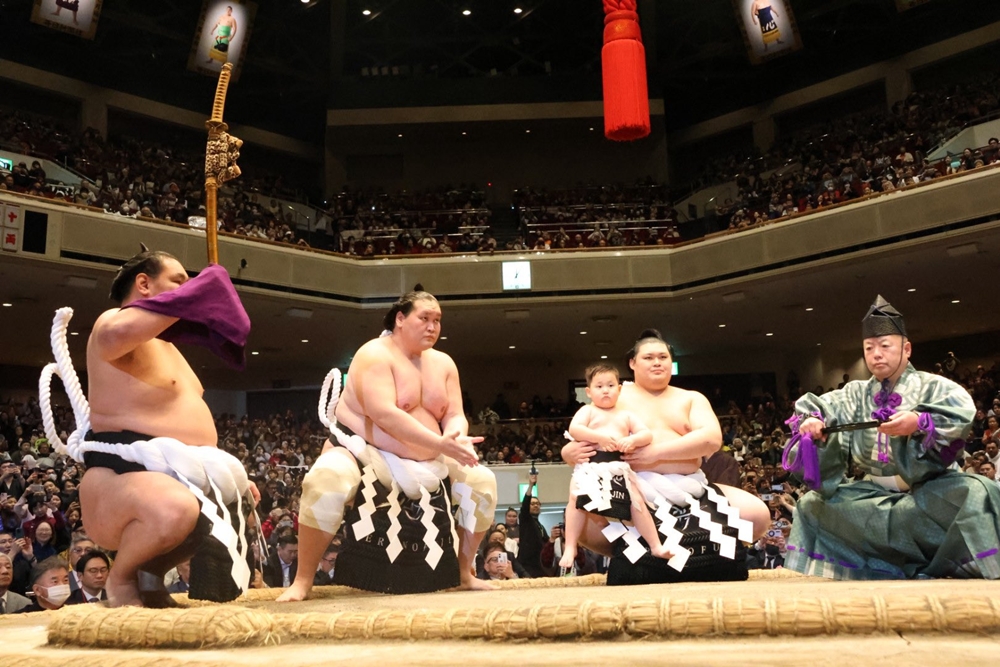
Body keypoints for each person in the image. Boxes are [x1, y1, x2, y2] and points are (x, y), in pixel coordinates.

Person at [277, 287, 496, 601]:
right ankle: (302, 581)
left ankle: (464, 572)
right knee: (325, 481)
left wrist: (455, 436)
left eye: (437, 320)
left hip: (431, 456)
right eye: (424, 318)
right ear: (400, 319)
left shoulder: (444, 363)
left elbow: (456, 414)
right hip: (365, 450)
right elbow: (385, 415)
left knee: (482, 483)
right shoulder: (373, 354)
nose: (433, 326)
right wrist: (441, 442)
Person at [76, 247, 255, 606]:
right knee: (177, 508)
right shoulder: (112, 322)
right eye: (178, 282)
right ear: (143, 283)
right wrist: (204, 289)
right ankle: (121, 578)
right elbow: (123, 330)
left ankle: (150, 576)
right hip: (120, 474)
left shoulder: (168, 346)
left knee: (224, 504)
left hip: (178, 468)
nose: (189, 290)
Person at [784, 296, 1000, 579]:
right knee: (811, 505)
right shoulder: (855, 393)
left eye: (885, 346)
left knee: (977, 492)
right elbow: (821, 407)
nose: (876, 354)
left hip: (932, 491)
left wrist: (921, 422)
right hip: (872, 494)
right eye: (869, 348)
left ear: (906, 349)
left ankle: (965, 563)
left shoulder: (933, 386)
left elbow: (960, 411)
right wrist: (812, 421)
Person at [562, 329, 769, 584]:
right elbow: (581, 431)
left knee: (758, 515)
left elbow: (711, 439)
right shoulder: (614, 396)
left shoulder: (690, 398)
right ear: (632, 363)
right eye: (648, 357)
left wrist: (654, 455)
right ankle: (640, 554)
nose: (657, 362)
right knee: (582, 522)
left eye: (663, 357)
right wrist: (568, 452)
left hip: (691, 488)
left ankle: (687, 558)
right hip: (632, 490)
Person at [560, 363, 671, 570]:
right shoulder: (587, 410)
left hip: (618, 466)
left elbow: (646, 434)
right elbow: (575, 429)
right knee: (575, 500)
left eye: (610, 385)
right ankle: (570, 547)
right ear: (589, 391)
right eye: (599, 386)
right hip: (590, 465)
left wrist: (633, 441)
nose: (605, 390)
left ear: (619, 389)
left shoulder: (625, 414)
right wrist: (599, 437)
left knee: (637, 502)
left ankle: (655, 545)